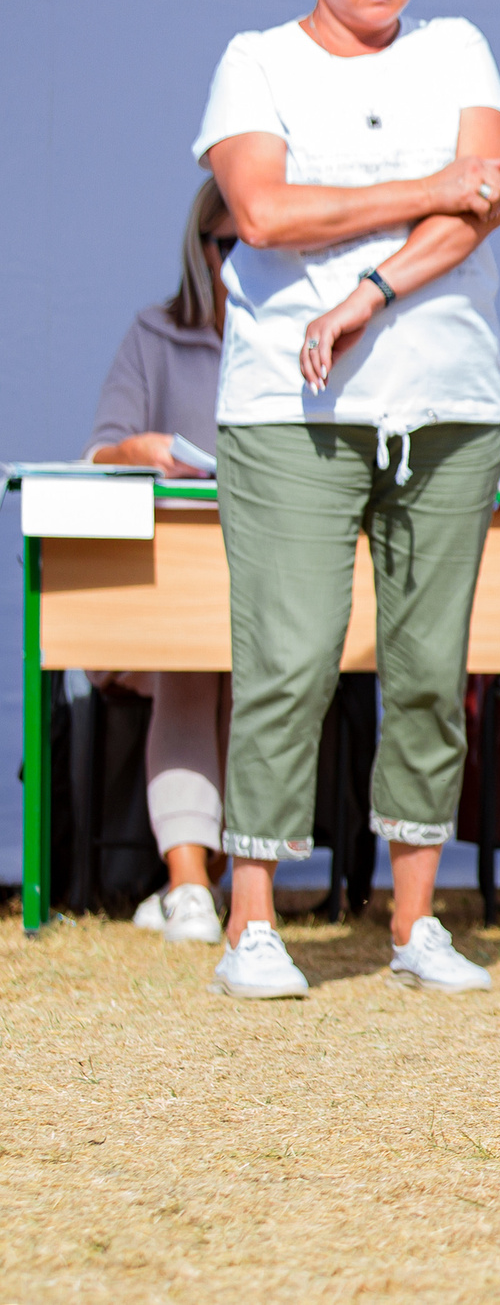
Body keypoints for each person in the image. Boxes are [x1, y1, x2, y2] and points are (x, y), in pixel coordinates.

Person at [195, 0, 500, 999]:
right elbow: (265, 211)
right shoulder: (257, 61)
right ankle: (252, 924)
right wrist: (431, 187)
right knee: (287, 657)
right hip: (291, 405)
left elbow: (492, 197)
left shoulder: (459, 47)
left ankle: (412, 922)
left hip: (446, 399)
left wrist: (370, 290)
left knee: (429, 667)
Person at [86, 177, 235, 944]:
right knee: (193, 651)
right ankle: (188, 883)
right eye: (229, 246)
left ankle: (221, 882)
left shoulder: (309, 335)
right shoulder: (156, 333)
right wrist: (140, 452)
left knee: (260, 658)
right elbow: (100, 450)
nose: (241, 263)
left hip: (268, 577)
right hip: (173, 587)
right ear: (198, 245)